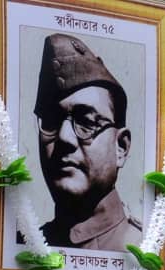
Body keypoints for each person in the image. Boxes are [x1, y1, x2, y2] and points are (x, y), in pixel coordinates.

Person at [34, 33, 141, 251]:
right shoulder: (21, 250)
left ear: (121, 147)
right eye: (52, 120)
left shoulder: (145, 250)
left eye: (87, 122)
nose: (64, 137)